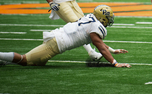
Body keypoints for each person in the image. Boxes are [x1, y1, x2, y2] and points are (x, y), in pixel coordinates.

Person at [0, 5, 131, 68]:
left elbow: (99, 44)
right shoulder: (96, 27)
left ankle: (5, 60)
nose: (109, 20)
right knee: (24, 60)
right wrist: (115, 63)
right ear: (102, 18)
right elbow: (101, 47)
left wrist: (113, 50)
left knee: (38, 63)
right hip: (56, 44)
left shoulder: (91, 19)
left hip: (57, 39)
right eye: (108, 18)